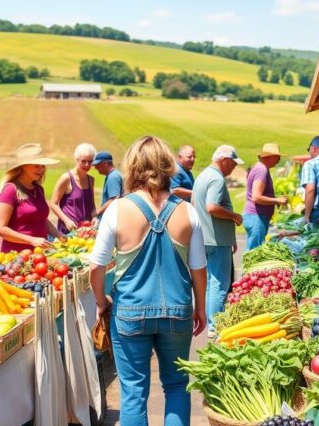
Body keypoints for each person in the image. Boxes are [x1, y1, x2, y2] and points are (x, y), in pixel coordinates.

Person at [88, 136, 207, 425]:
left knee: (134, 391)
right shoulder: (187, 210)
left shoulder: (118, 209)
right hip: (177, 311)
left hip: (130, 312)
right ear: (168, 165)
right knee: (177, 386)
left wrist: (101, 302)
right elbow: (199, 269)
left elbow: (96, 266)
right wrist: (200, 308)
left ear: (132, 167)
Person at [192, 145, 243, 337]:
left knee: (208, 282)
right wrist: (234, 216)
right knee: (219, 284)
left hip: (203, 238)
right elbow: (212, 207)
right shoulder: (217, 179)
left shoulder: (203, 176)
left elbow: (195, 204)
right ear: (224, 160)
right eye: (233, 163)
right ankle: (215, 325)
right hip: (216, 240)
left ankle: (208, 320)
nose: (233, 168)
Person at [0, 143, 66, 252]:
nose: (41, 169)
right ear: (22, 166)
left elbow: (41, 219)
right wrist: (31, 240)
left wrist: (58, 234)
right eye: (36, 165)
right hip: (15, 258)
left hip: (39, 255)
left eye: (42, 166)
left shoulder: (39, 189)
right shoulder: (10, 190)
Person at [243, 143, 287, 250]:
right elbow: (256, 197)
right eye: (277, 156)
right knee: (254, 252)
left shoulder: (260, 168)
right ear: (269, 157)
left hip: (255, 216)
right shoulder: (261, 170)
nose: (279, 159)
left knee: (253, 250)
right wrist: (277, 200)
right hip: (256, 216)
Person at [50, 143, 97, 233]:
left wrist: (94, 217)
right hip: (68, 230)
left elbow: (92, 204)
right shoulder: (66, 178)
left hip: (86, 230)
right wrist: (66, 220)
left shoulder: (91, 180)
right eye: (83, 161)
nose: (87, 165)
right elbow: (53, 203)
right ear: (76, 160)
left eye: (90, 161)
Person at [94, 151, 124, 216]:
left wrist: (98, 212)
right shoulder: (113, 175)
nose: (95, 168)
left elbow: (114, 199)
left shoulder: (113, 177)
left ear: (105, 163)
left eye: (97, 164)